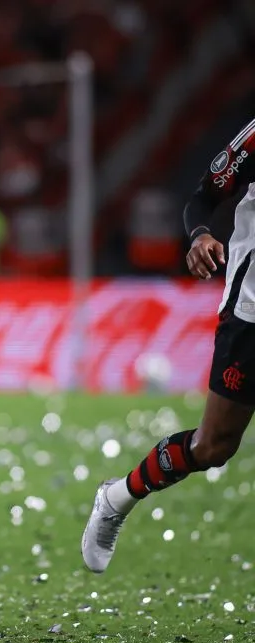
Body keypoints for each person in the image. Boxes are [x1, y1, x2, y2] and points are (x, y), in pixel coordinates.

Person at [81, 113, 255, 573]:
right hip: (250, 314)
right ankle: (118, 496)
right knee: (214, 445)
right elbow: (202, 198)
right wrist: (199, 236)